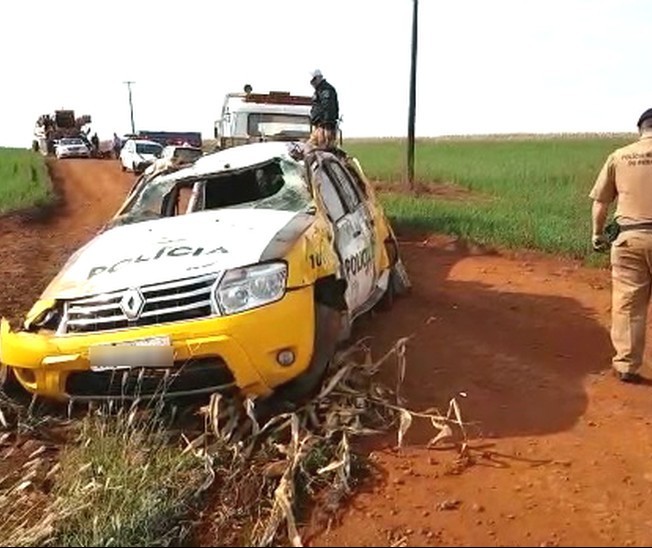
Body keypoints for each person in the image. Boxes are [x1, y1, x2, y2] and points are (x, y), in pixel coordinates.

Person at [589, 107, 652, 383]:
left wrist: (597, 234)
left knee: (628, 304)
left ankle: (626, 365)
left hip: (629, 240)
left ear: (641, 130)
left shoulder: (620, 156)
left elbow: (601, 201)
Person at [308, 69, 339, 149]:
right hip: (319, 127)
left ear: (318, 78)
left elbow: (328, 108)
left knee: (322, 149)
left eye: (313, 80)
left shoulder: (326, 90)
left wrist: (326, 127)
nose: (312, 83)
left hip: (324, 127)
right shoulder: (319, 91)